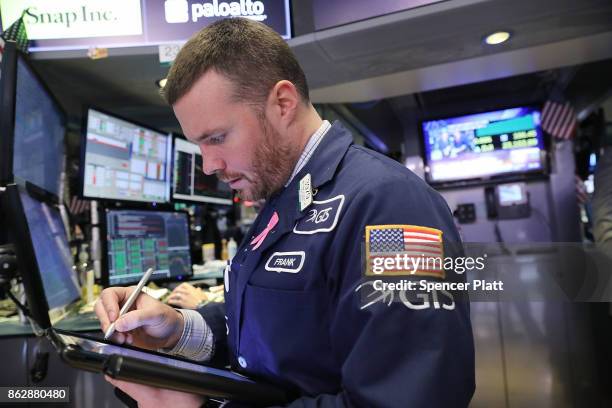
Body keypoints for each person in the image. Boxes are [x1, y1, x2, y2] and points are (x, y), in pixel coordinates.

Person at [95, 18, 475, 407]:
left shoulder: (390, 206)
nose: (208, 165)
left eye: (217, 138)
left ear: (282, 104)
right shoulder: (285, 197)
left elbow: (413, 399)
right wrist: (178, 330)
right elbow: (274, 332)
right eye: (199, 144)